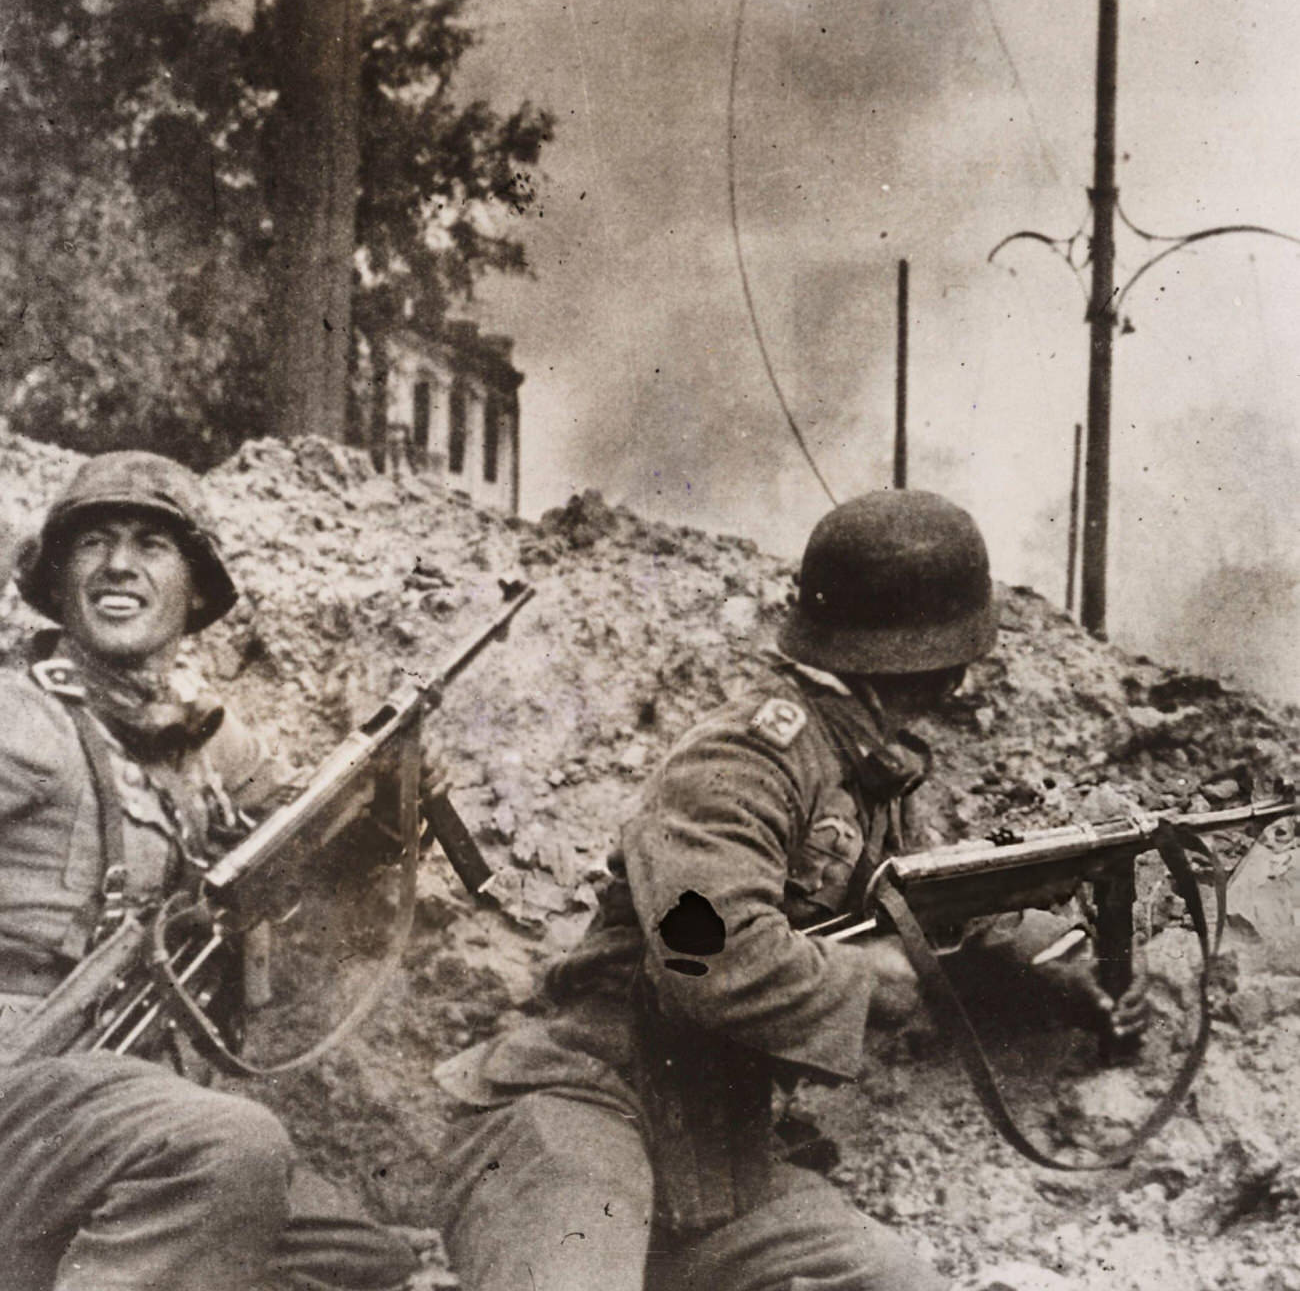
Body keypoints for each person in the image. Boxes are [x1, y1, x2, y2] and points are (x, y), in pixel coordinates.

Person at [428, 490, 1147, 1291]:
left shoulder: (873, 777)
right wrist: (869, 981)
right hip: (581, 1107)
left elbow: (924, 909)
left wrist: (1047, 963)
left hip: (713, 1161)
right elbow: (707, 954)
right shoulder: (745, 759)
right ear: (946, 667)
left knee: (890, 1281)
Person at [0, 450, 418, 1291]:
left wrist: (393, 800)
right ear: (57, 578)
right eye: (93, 544)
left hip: (126, 1104)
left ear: (195, 591)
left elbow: (310, 860)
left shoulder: (212, 747)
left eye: (152, 544)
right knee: (229, 1145)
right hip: (22, 1090)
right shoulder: (22, 714)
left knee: (359, 1261)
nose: (119, 565)